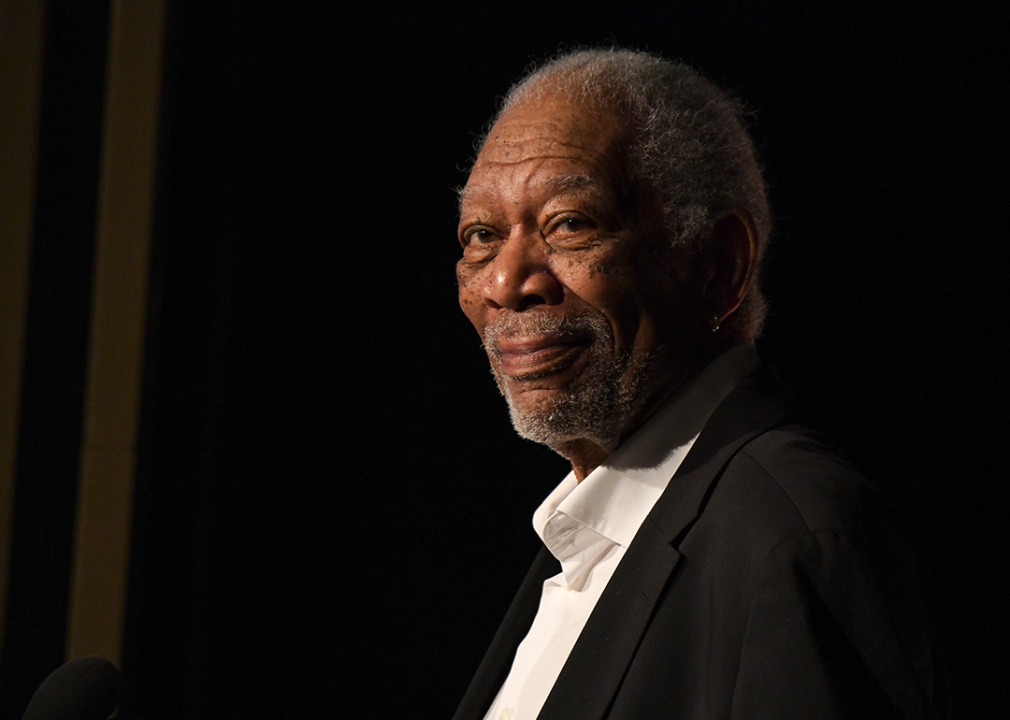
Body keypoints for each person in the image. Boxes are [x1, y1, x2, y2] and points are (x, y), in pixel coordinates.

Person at [452, 48, 938, 720]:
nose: (506, 283)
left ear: (719, 266)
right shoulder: (586, 540)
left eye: (571, 223)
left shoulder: (792, 543)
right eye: (481, 235)